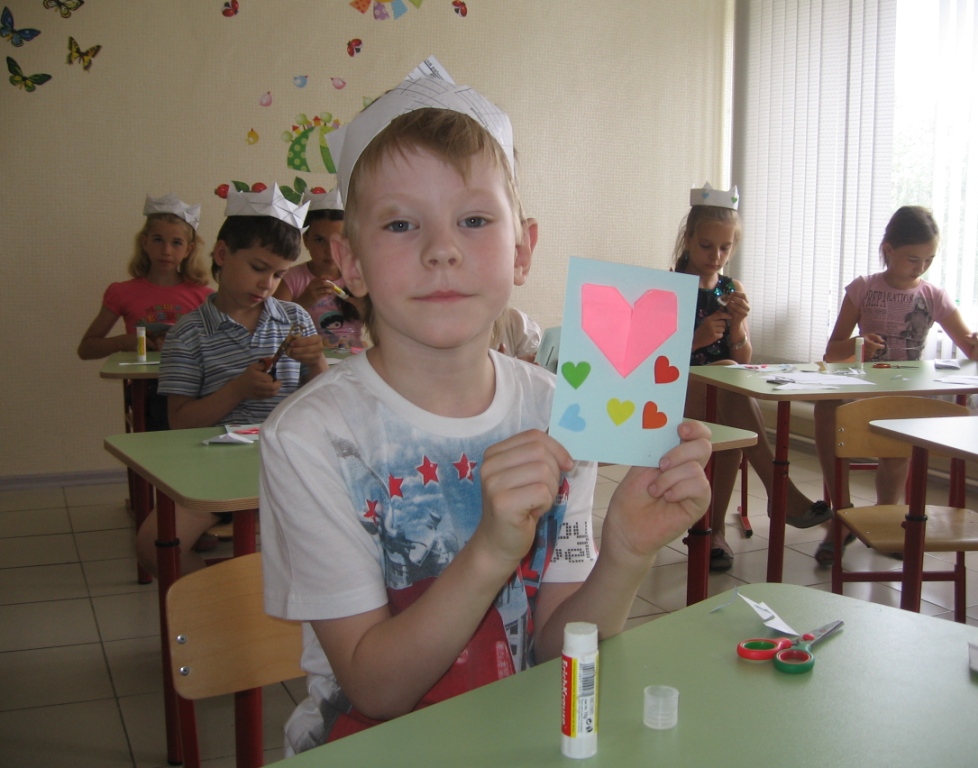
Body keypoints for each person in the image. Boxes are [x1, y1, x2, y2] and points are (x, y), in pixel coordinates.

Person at [259, 57, 712, 755]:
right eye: (401, 225)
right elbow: (376, 689)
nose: (442, 250)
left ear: (523, 249)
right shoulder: (311, 438)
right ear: (349, 263)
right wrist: (493, 550)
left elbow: (555, 648)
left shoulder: (559, 411)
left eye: (473, 219)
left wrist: (624, 553)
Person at [135, 184, 328, 576]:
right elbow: (180, 422)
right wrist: (237, 390)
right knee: (152, 544)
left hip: (288, 464)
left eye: (279, 274)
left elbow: (324, 407)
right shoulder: (188, 333)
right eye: (258, 268)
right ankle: (221, 602)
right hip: (213, 469)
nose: (267, 284)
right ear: (222, 255)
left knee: (339, 541)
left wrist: (318, 363)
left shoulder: (295, 319)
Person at [812, 205, 978, 565]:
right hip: (860, 390)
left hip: (902, 395)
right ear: (889, 250)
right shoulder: (863, 289)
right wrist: (860, 344)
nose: (920, 268)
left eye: (929, 260)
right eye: (913, 259)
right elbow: (832, 351)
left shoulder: (933, 296)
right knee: (826, 410)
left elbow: (971, 350)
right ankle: (842, 514)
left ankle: (885, 516)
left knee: (898, 438)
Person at [674, 183, 832, 571]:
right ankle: (778, 491)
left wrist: (737, 327)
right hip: (675, 394)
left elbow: (744, 358)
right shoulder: (671, 289)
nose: (716, 256)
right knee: (728, 384)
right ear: (688, 240)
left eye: (725, 248)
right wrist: (696, 339)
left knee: (731, 406)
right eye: (706, 246)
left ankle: (713, 533)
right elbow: (653, 362)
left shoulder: (732, 289)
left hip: (723, 394)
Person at [77, 194, 213, 430]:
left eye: (176, 243)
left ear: (188, 249)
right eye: (158, 240)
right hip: (148, 388)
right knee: (160, 405)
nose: (166, 251)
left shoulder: (203, 296)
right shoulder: (122, 292)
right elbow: (87, 348)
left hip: (192, 384)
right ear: (145, 242)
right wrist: (125, 342)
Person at [273, 187, 364, 350]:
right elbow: (272, 327)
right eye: (319, 240)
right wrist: (303, 302)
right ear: (306, 240)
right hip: (306, 357)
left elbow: (387, 325)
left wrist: (366, 309)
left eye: (338, 241)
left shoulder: (360, 277)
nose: (329, 251)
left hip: (353, 356)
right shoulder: (291, 279)